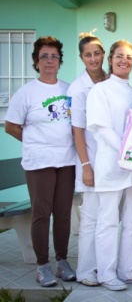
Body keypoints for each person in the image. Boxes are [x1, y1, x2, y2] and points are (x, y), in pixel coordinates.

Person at [4, 36, 76, 287]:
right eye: (44, 56)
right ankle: (42, 265)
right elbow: (11, 126)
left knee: (64, 214)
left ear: (60, 61)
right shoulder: (26, 92)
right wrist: (33, 140)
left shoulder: (69, 89)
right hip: (39, 162)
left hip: (67, 161)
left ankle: (62, 262)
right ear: (36, 61)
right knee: (42, 213)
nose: (49, 61)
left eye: (54, 56)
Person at [86, 40, 132, 291]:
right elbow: (101, 129)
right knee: (108, 221)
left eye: (129, 57)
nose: (124, 60)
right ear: (110, 59)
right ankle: (105, 272)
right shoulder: (100, 91)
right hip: (111, 165)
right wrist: (127, 152)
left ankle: (129, 270)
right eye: (119, 56)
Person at [67, 31, 107, 286]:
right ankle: (85, 271)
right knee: (91, 217)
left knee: (108, 219)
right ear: (81, 58)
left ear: (103, 55)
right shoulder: (77, 88)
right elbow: (77, 130)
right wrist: (86, 166)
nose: (93, 58)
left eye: (97, 53)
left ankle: (104, 268)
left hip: (110, 160)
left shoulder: (110, 79)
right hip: (90, 160)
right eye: (88, 55)